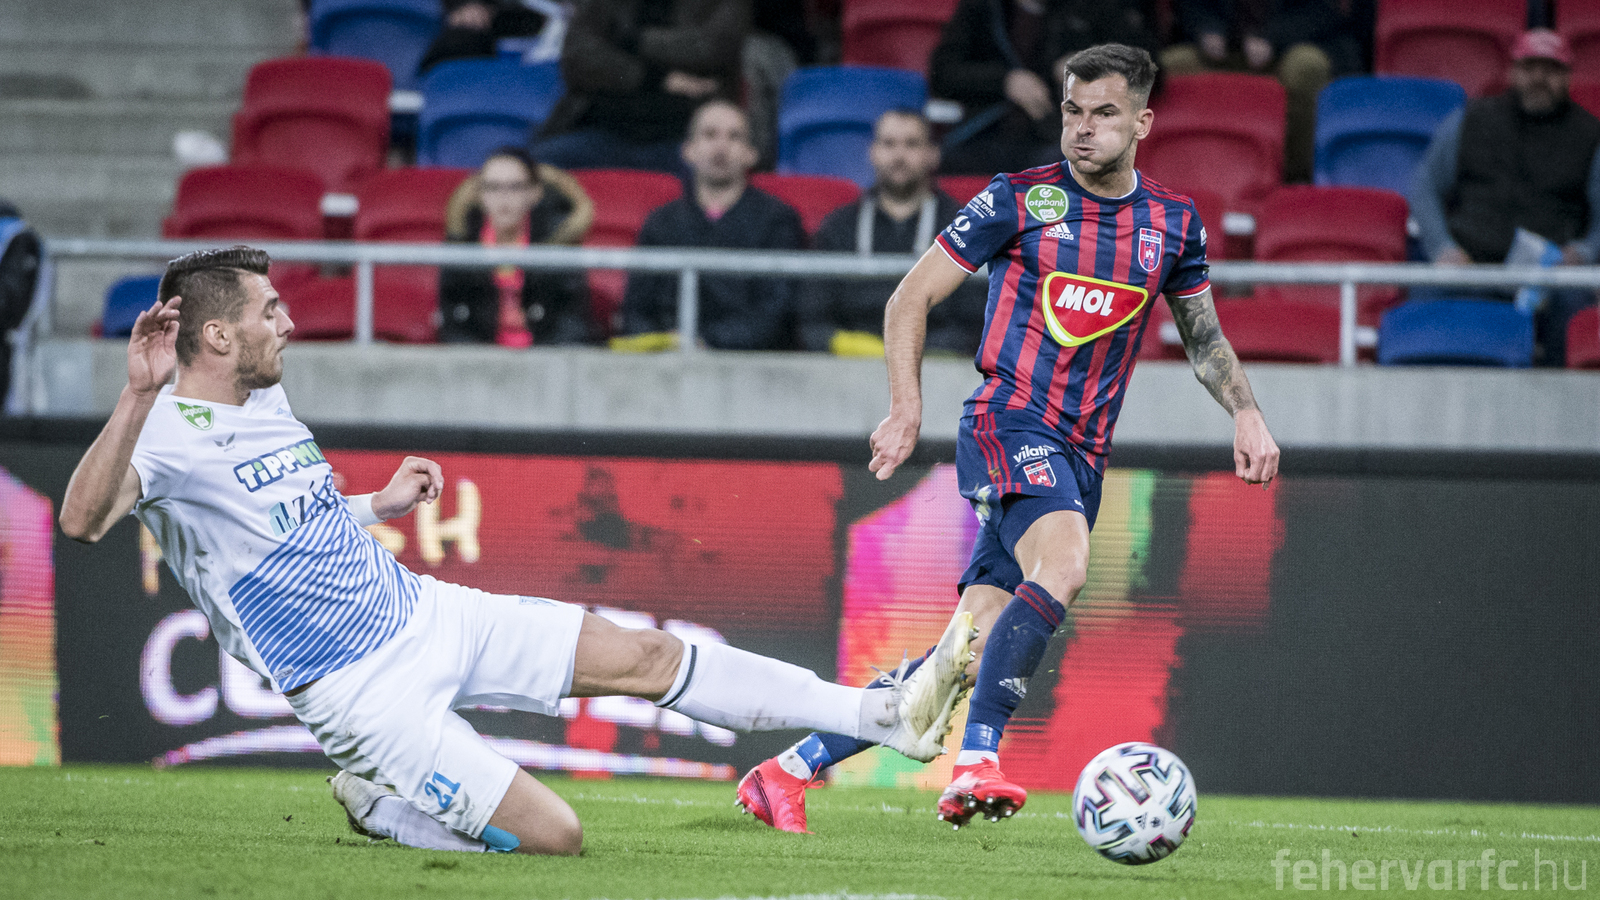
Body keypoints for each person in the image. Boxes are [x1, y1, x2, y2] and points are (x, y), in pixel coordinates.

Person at [57, 246, 972, 855]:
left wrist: (376, 503)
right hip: (359, 692)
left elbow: (287, 513)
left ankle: (880, 716)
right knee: (556, 839)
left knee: (649, 655)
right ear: (219, 334)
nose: (288, 321)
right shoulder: (163, 437)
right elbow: (83, 522)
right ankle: (386, 808)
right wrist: (135, 396)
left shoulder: (263, 399)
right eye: (270, 309)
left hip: (427, 612)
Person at [736, 44, 1279, 834]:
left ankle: (787, 770)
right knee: (1066, 565)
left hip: (1084, 455)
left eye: (1104, 114)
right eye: (1072, 111)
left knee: (961, 656)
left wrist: (1246, 411)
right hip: (1009, 422)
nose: (1083, 128)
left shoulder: (1173, 222)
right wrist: (905, 409)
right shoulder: (1017, 199)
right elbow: (908, 298)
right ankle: (978, 762)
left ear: (1142, 123)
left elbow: (1204, 339)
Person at [1410, 29, 1600, 366]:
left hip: (1550, 275)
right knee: (1426, 296)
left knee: (1576, 311)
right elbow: (1425, 186)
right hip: (1471, 264)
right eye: (1530, 67)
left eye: (1551, 70)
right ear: (1512, 71)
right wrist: (1442, 248)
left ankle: (1562, 398)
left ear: (1569, 77)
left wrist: (1583, 252)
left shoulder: (1591, 136)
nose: (1539, 79)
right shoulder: (1471, 119)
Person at [616, 100, 805, 350]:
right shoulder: (660, 222)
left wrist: (707, 343)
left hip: (749, 361)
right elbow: (636, 310)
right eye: (709, 135)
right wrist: (665, 344)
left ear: (751, 154)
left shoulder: (778, 221)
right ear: (688, 150)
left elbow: (776, 312)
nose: (721, 147)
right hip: (666, 360)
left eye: (734, 137)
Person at [797, 109, 986, 358]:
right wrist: (850, 348)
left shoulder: (963, 227)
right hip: (849, 365)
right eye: (889, 144)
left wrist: (910, 358)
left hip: (938, 367)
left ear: (933, 154)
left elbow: (974, 325)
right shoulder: (838, 226)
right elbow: (813, 320)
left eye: (911, 144)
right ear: (872, 152)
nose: (899, 155)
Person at [929, 0, 1158, 177]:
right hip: (985, 133)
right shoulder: (984, 7)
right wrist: (1005, 82)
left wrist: (1093, 64)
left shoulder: (1095, 8)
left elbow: (1150, 71)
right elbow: (943, 74)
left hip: (1063, 136)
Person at [1160, 0, 1374, 183]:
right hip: (1221, 52)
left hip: (1285, 49)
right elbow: (1189, 7)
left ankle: (1296, 176)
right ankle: (1172, 170)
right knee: (1172, 64)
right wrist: (1207, 30)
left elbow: (1322, 13)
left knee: (1307, 66)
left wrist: (1273, 39)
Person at [532, 0, 748, 173]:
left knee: (717, 179)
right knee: (531, 172)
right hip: (602, 129)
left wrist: (632, 41)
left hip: (684, 136)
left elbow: (712, 48)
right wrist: (657, 79)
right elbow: (578, 57)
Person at [437, 147, 599, 346]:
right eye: (493, 187)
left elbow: (571, 322)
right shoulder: (462, 242)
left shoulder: (559, 241)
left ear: (535, 192)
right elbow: (453, 324)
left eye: (515, 187)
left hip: (547, 356)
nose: (503, 197)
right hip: (479, 358)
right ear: (479, 194)